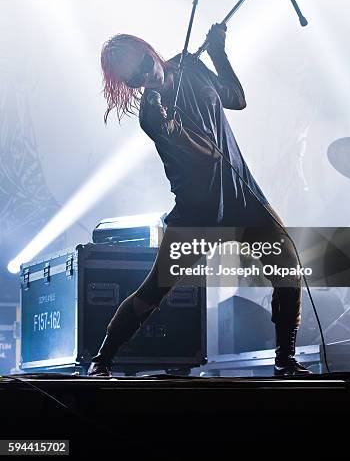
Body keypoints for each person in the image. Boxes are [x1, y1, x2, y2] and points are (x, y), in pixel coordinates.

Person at [87, 23, 311, 377]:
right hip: (198, 212)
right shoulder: (151, 114)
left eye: (146, 63)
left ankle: (285, 360)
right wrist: (172, 127)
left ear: (151, 51)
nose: (148, 75)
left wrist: (219, 52)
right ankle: (101, 361)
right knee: (154, 290)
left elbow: (236, 98)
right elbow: (206, 155)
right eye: (136, 79)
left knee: (287, 269)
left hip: (242, 196)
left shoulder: (190, 66)